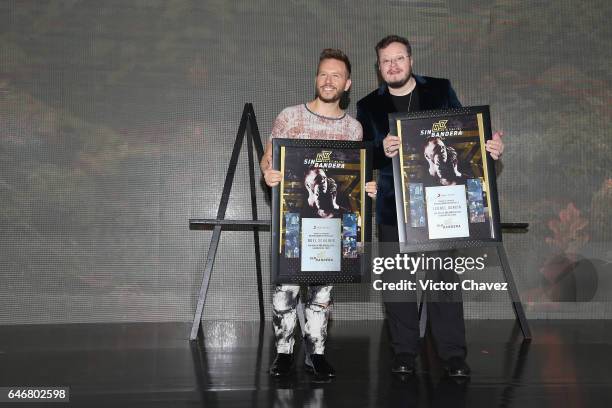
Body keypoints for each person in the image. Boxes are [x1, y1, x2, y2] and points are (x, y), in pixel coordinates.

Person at [356, 35, 504, 378]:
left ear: (411, 60)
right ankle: (404, 353)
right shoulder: (367, 106)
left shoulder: (440, 89)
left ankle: (452, 355)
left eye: (399, 58)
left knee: (444, 281)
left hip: (442, 206)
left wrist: (488, 148)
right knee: (399, 285)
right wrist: (383, 150)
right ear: (378, 68)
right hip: (394, 207)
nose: (393, 66)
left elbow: (464, 134)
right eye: (385, 61)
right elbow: (364, 155)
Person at [260, 48, 377, 378]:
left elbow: (355, 178)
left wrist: (366, 189)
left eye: (336, 75)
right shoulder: (290, 116)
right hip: (294, 222)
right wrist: (267, 173)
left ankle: (317, 353)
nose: (329, 80)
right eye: (324, 74)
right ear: (316, 78)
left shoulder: (353, 129)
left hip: (331, 227)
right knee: (286, 292)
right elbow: (268, 160)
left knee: (322, 294)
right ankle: (284, 352)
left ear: (347, 83)